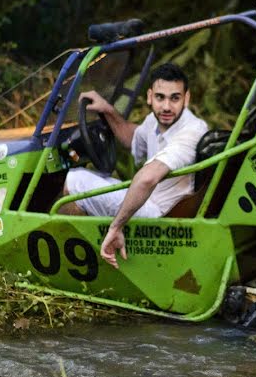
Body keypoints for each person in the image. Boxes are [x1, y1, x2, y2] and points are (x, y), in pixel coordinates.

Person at [62, 62, 208, 268]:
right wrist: (107, 110)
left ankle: (73, 257)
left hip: (162, 215)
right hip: (149, 201)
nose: (166, 106)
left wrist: (116, 227)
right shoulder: (156, 121)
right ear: (150, 96)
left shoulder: (191, 131)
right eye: (160, 97)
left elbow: (148, 178)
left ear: (186, 98)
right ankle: (81, 256)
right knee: (85, 186)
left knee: (75, 178)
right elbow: (134, 138)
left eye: (175, 98)